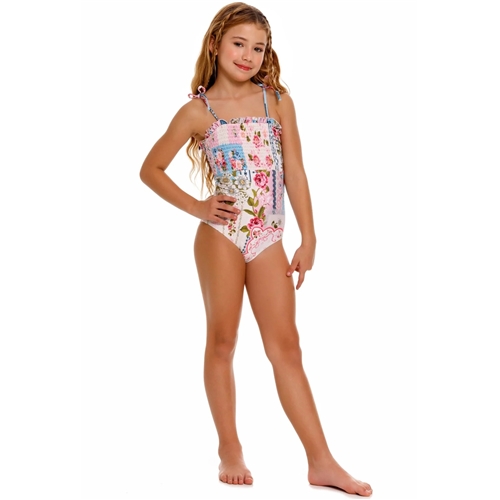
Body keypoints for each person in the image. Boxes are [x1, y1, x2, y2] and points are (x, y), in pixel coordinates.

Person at [139, 2, 372, 496]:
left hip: (268, 235)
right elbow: (150, 169)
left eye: (259, 48)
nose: (248, 55)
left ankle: (322, 461)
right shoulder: (197, 111)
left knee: (286, 346)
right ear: (215, 44)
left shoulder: (276, 101)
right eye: (239, 44)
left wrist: (309, 236)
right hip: (220, 235)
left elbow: (295, 172)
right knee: (222, 342)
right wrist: (199, 206)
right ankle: (230, 448)